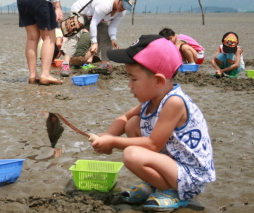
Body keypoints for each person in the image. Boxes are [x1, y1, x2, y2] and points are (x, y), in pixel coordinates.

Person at [91, 35, 215, 211]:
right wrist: (109, 134)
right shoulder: (151, 99)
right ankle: (154, 185)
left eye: (133, 79)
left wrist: (113, 142)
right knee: (133, 123)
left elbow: (153, 144)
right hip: (172, 165)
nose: (129, 85)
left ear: (158, 80)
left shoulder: (174, 102)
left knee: (131, 154)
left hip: (190, 176)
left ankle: (174, 193)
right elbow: (124, 118)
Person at [60, 0, 136, 77]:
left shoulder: (121, 12)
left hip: (94, 18)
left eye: (126, 7)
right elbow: (94, 23)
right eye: (123, 5)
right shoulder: (105, 4)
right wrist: (94, 43)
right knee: (75, 31)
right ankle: (65, 64)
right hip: (80, 11)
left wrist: (113, 38)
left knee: (105, 32)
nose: (123, 8)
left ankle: (103, 64)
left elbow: (113, 27)